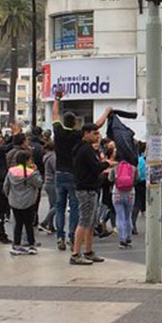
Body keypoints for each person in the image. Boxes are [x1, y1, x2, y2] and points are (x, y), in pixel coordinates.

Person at [52, 93, 111, 251]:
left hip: (59, 173)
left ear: (63, 122)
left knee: (59, 206)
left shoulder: (58, 132)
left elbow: (54, 114)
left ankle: (60, 236)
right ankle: (72, 236)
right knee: (75, 207)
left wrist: (57, 99)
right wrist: (106, 112)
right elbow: (97, 125)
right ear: (76, 123)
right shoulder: (78, 136)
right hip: (73, 174)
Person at [71, 123, 115, 265]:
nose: (98, 136)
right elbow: (96, 168)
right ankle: (75, 253)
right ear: (86, 134)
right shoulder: (85, 150)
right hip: (86, 189)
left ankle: (88, 251)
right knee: (84, 221)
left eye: (98, 133)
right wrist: (108, 164)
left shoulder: (85, 148)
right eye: (94, 134)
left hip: (91, 188)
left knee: (90, 222)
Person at [3, 150, 43, 256]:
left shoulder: (11, 171)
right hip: (29, 201)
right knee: (28, 224)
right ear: (27, 161)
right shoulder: (31, 173)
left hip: (14, 201)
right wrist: (37, 171)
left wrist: (10, 197)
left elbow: (6, 186)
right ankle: (31, 245)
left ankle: (16, 245)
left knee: (18, 224)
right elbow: (39, 184)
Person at [108, 144, 136, 249]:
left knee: (120, 217)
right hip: (130, 193)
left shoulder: (115, 168)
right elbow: (136, 179)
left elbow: (110, 179)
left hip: (117, 193)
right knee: (128, 216)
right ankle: (129, 238)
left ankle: (122, 240)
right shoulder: (133, 168)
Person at [39, 141, 57, 233]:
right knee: (57, 205)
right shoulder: (53, 157)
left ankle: (50, 225)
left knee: (52, 204)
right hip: (53, 182)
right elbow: (56, 169)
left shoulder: (46, 156)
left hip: (47, 182)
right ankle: (44, 223)